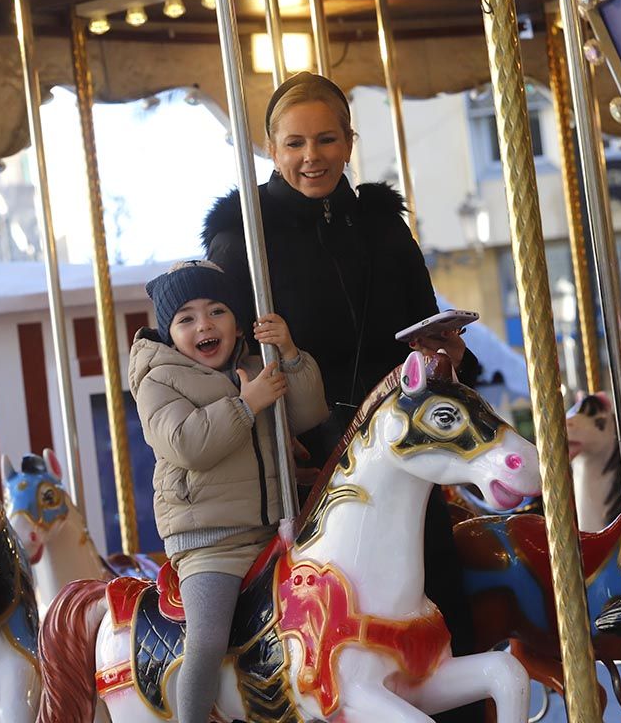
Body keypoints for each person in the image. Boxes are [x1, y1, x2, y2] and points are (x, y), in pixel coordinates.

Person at [202, 71, 483, 722]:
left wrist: (444, 357)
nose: (311, 157)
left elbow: (422, 319)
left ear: (349, 141)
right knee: (318, 630)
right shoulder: (243, 238)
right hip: (302, 454)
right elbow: (215, 349)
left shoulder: (384, 229)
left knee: (435, 590)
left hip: (396, 446)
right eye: (294, 143)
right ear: (271, 149)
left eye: (326, 139)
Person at [129, 260, 328, 723]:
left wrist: (291, 354)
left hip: (276, 528)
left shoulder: (255, 366)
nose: (204, 325)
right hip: (210, 540)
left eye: (217, 310)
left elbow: (308, 412)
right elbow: (187, 443)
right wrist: (245, 404)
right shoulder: (157, 380)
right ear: (169, 334)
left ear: (237, 320)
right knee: (208, 639)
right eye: (186, 318)